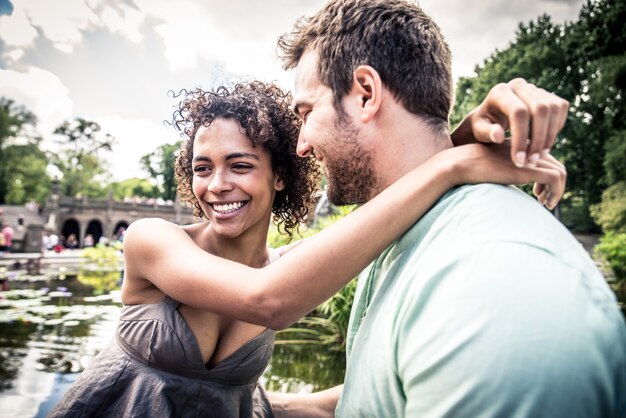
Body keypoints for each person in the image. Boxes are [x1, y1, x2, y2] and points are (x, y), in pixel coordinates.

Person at [49, 75, 568, 417]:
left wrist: (458, 140)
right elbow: (266, 299)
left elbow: (376, 221)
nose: (216, 184)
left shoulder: (290, 268)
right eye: (202, 168)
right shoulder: (152, 241)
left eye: (241, 164)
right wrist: (455, 164)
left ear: (280, 177)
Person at [268, 1, 626, 417]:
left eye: (307, 113)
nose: (301, 145)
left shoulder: (493, 287)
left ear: (366, 94)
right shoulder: (403, 227)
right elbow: (378, 396)